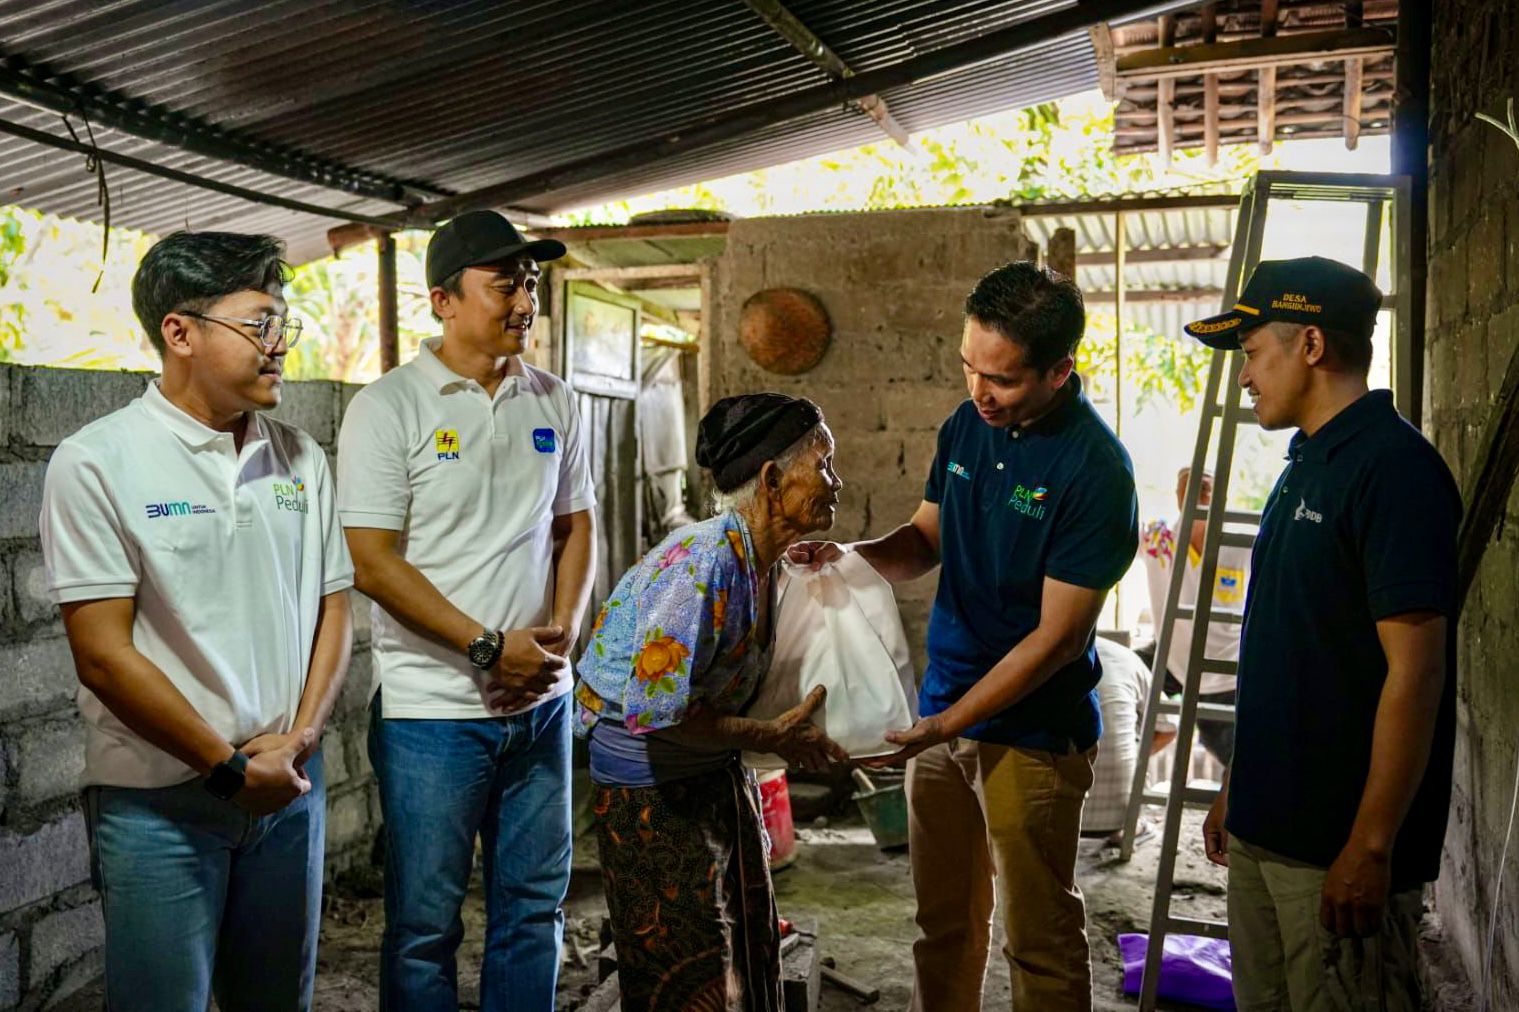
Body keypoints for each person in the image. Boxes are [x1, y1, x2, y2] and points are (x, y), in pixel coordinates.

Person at [792, 261, 1138, 1011]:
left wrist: (946, 724)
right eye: (967, 367)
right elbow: (924, 539)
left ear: (1058, 370)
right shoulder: (965, 425)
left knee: (1037, 935)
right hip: (943, 708)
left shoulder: (1095, 472)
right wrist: (852, 559)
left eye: (1003, 379)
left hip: (1030, 733)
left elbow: (1054, 641)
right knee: (942, 922)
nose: (979, 392)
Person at [39, 231, 354, 1011]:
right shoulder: (98, 461)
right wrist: (224, 767)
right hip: (162, 807)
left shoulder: (300, 458)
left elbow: (335, 609)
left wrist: (302, 742)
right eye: (259, 324)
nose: (278, 344)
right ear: (180, 332)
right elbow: (105, 658)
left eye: (284, 323)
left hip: (287, 791)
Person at [336, 210, 597, 1011]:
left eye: (530, 282)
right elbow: (372, 562)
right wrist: (490, 650)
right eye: (504, 283)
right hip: (432, 713)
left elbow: (576, 526)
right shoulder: (390, 408)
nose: (524, 300)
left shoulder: (556, 400)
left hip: (540, 709)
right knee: (424, 925)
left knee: (532, 910)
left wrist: (557, 647)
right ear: (443, 300)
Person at [1188, 257, 1460, 1011]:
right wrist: (1237, 787)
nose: (1243, 377)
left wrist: (1370, 845)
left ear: (1309, 345)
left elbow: (1415, 674)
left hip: (1332, 848)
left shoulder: (1393, 471)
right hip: (1266, 827)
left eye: (1250, 353)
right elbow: (1288, 653)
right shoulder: (1305, 460)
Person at [575, 393, 849, 1012]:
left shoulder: (759, 560)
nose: (836, 481)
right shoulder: (700, 566)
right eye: (824, 465)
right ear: (773, 480)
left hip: (711, 773)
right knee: (691, 974)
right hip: (652, 793)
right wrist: (767, 736)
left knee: (748, 949)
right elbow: (655, 714)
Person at [1138, 466, 1251, 764]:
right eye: (1186, 489)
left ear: (1219, 497)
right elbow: (1113, 533)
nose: (1194, 496)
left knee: (1240, 765)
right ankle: (1148, 745)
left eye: (1203, 488)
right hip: (1171, 661)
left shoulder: (1239, 545)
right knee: (1114, 674)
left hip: (1223, 675)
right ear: (1177, 496)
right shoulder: (1158, 538)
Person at [1081, 637, 1175, 846]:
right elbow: (1169, 729)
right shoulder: (1124, 656)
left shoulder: (1046, 652)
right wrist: (1132, 755)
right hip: (1120, 820)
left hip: (1052, 813)